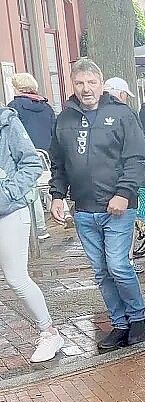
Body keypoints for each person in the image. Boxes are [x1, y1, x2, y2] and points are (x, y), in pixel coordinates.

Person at [48, 59, 145, 351]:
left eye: (91, 82)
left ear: (101, 82)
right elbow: (58, 162)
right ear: (72, 84)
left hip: (118, 206)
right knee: (101, 270)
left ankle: (138, 317)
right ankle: (119, 324)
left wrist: (124, 192)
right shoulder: (64, 119)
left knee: (118, 265)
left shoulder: (120, 114)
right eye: (79, 83)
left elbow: (135, 158)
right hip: (84, 209)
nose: (86, 89)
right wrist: (57, 195)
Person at [0, 106, 65, 362]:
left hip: (8, 212)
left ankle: (49, 332)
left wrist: (6, 195)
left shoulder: (7, 123)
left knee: (16, 277)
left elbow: (31, 163)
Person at [8, 73, 56, 239]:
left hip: (26, 154)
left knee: (30, 187)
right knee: (50, 182)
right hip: (46, 154)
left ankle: (40, 227)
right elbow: (54, 131)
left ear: (18, 87)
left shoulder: (13, 107)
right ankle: (62, 210)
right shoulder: (47, 107)